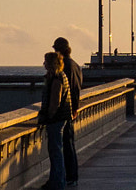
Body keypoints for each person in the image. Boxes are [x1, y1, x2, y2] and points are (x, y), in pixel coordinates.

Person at [36, 52, 77, 190]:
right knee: (57, 151)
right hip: (62, 118)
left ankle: (58, 183)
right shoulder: (62, 76)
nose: (44, 64)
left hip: (56, 120)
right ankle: (56, 181)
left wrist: (48, 116)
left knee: (56, 152)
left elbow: (55, 102)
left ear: (52, 64)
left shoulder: (56, 79)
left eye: (46, 61)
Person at [52, 37, 83, 186]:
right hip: (72, 109)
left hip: (65, 111)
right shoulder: (76, 65)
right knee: (70, 144)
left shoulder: (65, 66)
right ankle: (72, 176)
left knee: (64, 146)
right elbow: (77, 89)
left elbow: (66, 90)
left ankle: (69, 177)